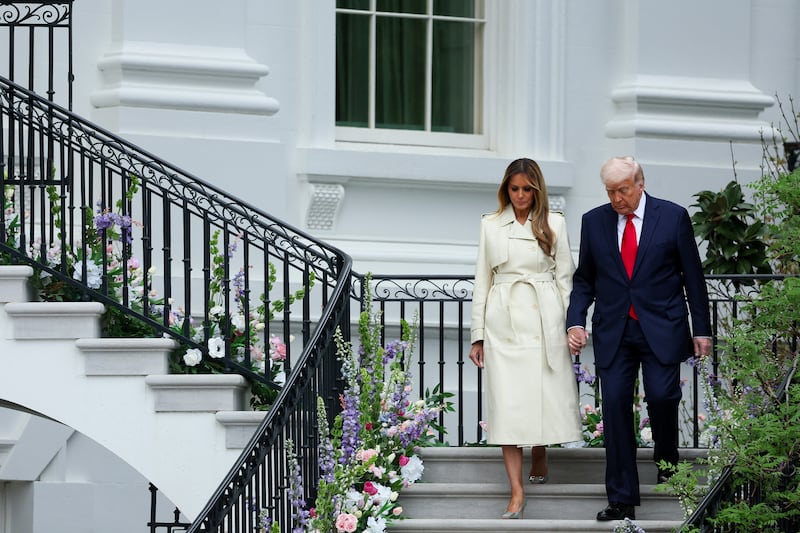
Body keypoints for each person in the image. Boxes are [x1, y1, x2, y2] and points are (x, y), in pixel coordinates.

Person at [566, 156, 712, 521]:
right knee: (615, 407)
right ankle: (621, 498)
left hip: (662, 327)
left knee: (662, 397)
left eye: (623, 190)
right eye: (610, 192)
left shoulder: (672, 217)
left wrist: (702, 329)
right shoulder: (594, 221)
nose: (617, 198)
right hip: (614, 331)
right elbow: (585, 280)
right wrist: (575, 322)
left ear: (640, 184)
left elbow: (693, 277)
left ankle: (667, 459)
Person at [469, 157, 583, 519]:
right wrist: (477, 336)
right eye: (515, 189)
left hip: (544, 316)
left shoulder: (555, 223)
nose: (520, 195)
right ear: (506, 189)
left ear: (537, 191)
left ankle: (540, 450)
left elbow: (566, 279)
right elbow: (482, 281)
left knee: (543, 393)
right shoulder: (490, 225)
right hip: (502, 321)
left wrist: (571, 324)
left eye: (527, 190)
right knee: (507, 404)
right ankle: (516, 492)